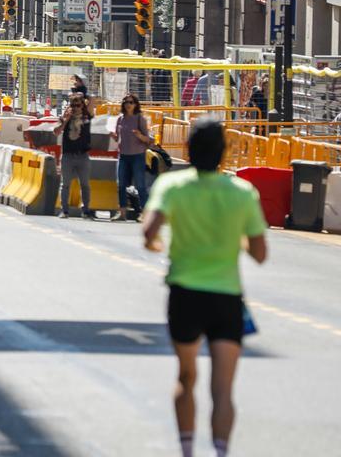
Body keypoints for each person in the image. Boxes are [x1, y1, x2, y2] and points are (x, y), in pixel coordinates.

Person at [142, 119, 268, 457]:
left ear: (188, 150)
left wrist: (159, 247)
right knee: (223, 389)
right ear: (223, 153)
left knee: (186, 377)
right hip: (227, 298)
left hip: (184, 293)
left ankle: (186, 450)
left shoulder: (172, 186)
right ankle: (221, 451)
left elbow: (149, 234)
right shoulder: (242, 192)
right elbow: (259, 253)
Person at [112, 94, 152, 222]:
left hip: (137, 156)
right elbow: (118, 138)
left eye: (131, 102)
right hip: (123, 155)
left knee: (140, 185)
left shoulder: (140, 119)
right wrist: (113, 136)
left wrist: (139, 135)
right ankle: (122, 213)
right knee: (121, 185)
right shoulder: (120, 119)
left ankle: (144, 214)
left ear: (136, 104)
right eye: (126, 102)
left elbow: (148, 140)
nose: (128, 104)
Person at [57, 92, 94, 219]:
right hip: (68, 155)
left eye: (78, 105)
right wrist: (65, 120)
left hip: (82, 155)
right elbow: (56, 132)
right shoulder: (65, 118)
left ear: (82, 105)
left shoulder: (86, 117)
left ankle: (86, 210)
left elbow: (92, 99)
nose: (76, 107)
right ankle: (64, 210)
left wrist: (81, 93)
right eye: (73, 105)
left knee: (85, 184)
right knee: (65, 184)